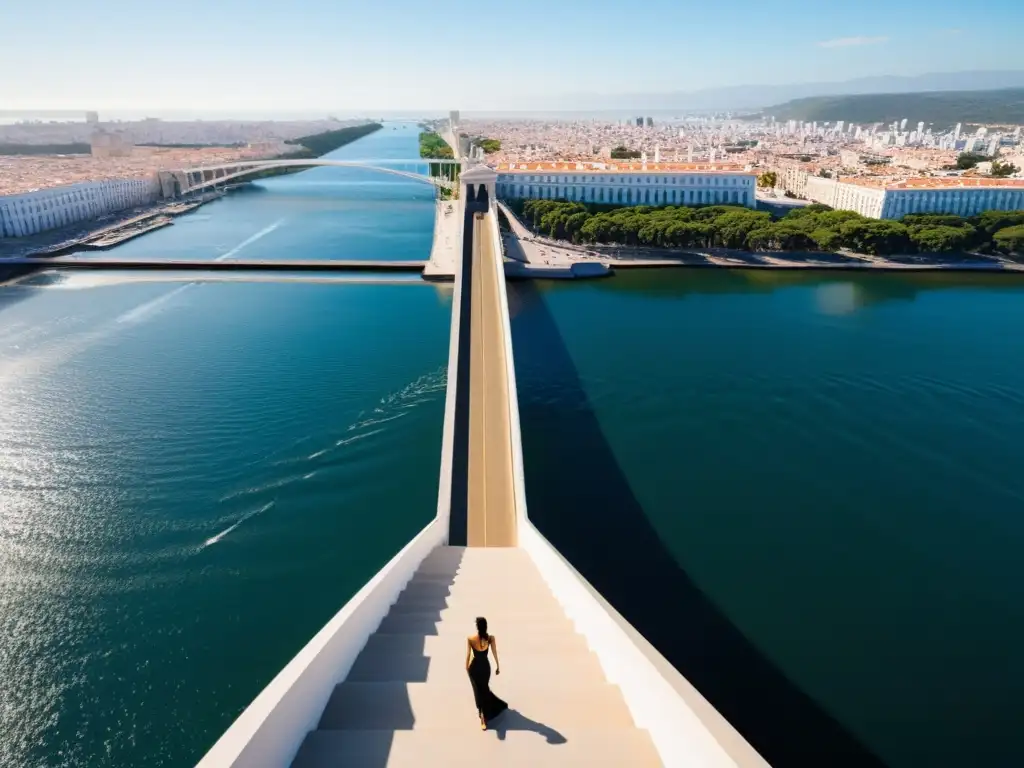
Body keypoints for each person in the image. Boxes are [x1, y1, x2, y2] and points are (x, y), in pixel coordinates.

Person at [466, 616, 507, 730]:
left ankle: (483, 715)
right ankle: (482, 713)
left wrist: (466, 668)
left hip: (474, 668)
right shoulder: (488, 638)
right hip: (484, 668)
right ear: (486, 626)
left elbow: (468, 656)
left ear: (477, 627)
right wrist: (497, 666)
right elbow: (494, 653)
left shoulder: (473, 639)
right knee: (479, 690)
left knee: (482, 690)